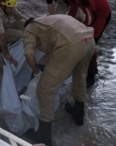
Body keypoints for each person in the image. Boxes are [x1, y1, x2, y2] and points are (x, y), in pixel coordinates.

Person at [23, 15, 95, 146]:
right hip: (89, 39)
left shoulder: (29, 29)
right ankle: (79, 114)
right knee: (79, 77)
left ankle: (43, 137)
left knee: (45, 88)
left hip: (72, 44)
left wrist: (36, 72)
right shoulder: (47, 21)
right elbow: (53, 52)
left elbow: (28, 54)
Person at [56, 0, 111, 88]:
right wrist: (66, 21)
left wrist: (83, 30)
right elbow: (73, 7)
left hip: (101, 15)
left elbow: (89, 17)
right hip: (92, 12)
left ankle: (92, 74)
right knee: (83, 38)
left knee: (90, 43)